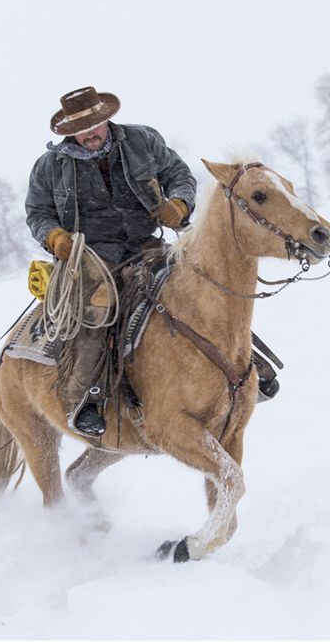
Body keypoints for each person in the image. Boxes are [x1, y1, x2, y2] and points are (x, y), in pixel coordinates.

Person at [25, 86, 197, 436]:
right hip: (91, 255)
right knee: (96, 311)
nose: (90, 133)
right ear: (69, 132)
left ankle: (245, 362)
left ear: (107, 119)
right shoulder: (49, 166)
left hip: (145, 243)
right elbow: (38, 212)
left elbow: (180, 176)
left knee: (198, 283)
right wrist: (55, 237)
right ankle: (87, 397)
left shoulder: (142, 140)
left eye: (95, 124)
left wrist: (178, 204)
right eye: (82, 128)